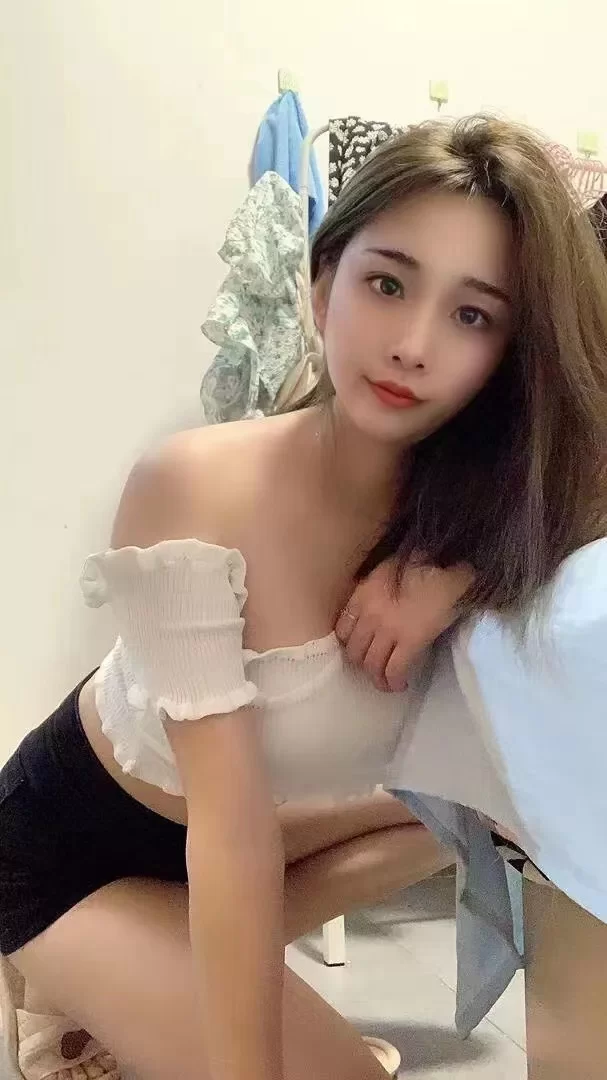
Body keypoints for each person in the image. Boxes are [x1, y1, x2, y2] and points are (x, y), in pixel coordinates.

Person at [2, 114, 606, 1080]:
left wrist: (451, 573)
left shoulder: (479, 506)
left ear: (511, 352)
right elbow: (230, 827)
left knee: (490, 809)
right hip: (69, 854)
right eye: (387, 284)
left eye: (472, 315)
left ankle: (131, 982)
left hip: (250, 838)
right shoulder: (194, 487)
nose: (411, 345)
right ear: (323, 282)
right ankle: (71, 970)